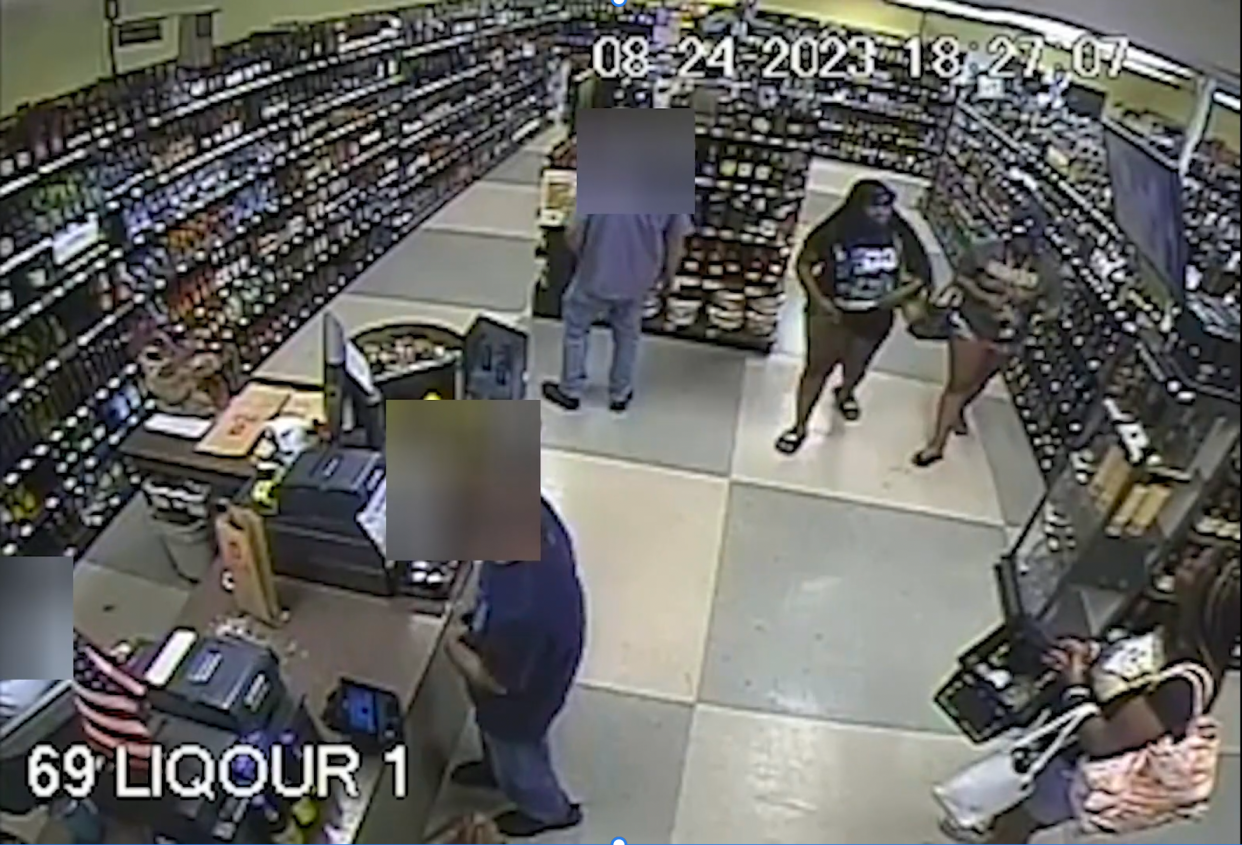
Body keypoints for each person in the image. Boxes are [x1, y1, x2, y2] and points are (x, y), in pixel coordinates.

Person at [942, 549, 1240, 844]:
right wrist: (1091, 656)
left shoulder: (1183, 685)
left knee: (1021, 820)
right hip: (1065, 747)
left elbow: (1103, 741)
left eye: (1197, 565)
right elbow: (1132, 664)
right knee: (1015, 805)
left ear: (1210, 596)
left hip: (1076, 773)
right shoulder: (1170, 628)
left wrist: (1075, 684)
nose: (1184, 561)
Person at [446, 497, 587, 838]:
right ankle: (495, 769)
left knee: (518, 755)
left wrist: (451, 644)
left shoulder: (522, 613)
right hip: (539, 647)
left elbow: (495, 682)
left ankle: (548, 810)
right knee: (496, 739)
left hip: (522, 695)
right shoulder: (534, 518)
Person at [775, 180, 931, 454]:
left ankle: (845, 392)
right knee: (816, 368)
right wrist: (818, 300)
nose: (882, 214)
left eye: (886, 207)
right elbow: (804, 263)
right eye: (875, 208)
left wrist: (899, 295)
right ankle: (799, 426)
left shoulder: (900, 233)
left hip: (876, 315)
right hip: (831, 312)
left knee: (857, 365)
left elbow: (921, 275)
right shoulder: (833, 230)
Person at [913, 214, 1058, 467]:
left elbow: (1054, 305)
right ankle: (936, 445)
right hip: (971, 325)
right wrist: (983, 295)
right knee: (958, 384)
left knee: (979, 381)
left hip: (1008, 336)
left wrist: (1036, 310)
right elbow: (961, 276)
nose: (1023, 246)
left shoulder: (1047, 269)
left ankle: (957, 412)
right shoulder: (986, 251)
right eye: (1019, 239)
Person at [541, 212, 693, 413]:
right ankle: (620, 394)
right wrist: (668, 276)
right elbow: (675, 242)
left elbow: (573, 233)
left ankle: (570, 390)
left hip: (594, 274)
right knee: (627, 335)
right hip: (638, 280)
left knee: (576, 329)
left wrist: (586, 259)